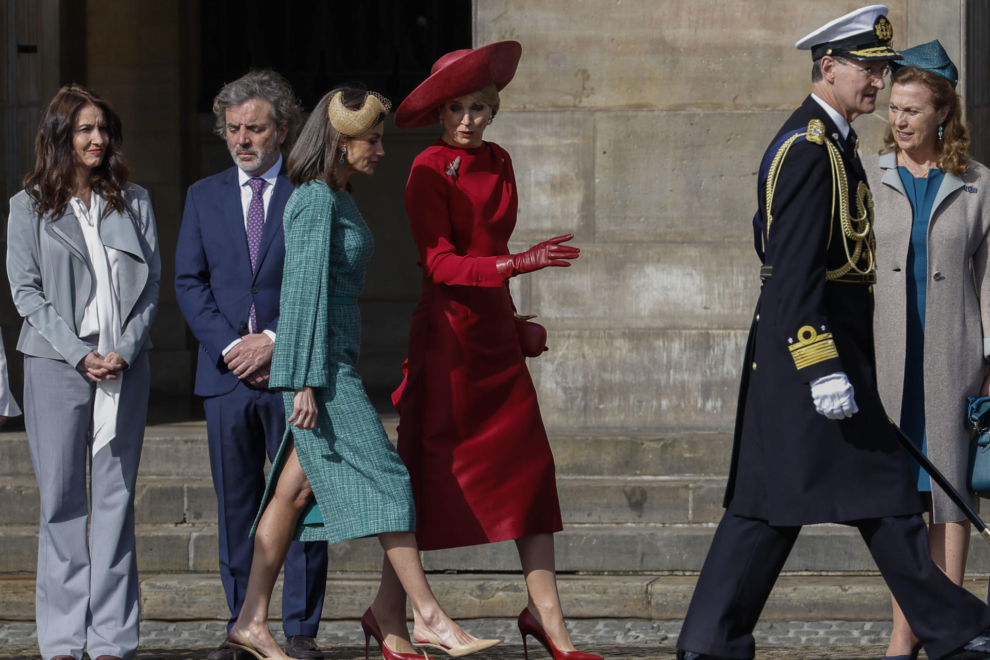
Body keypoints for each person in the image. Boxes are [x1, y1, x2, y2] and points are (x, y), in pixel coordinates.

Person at [673, 7, 990, 660]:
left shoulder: (836, 141)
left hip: (829, 361)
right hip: (808, 367)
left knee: (811, 508)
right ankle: (956, 629)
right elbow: (788, 274)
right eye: (869, 70)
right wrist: (821, 368)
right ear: (829, 68)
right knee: (863, 502)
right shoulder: (807, 147)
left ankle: (709, 642)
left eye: (880, 69)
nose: (878, 83)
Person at [220, 86, 495, 660]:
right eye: (371, 140)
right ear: (341, 143)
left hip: (331, 360)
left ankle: (250, 621)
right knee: (392, 481)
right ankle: (429, 618)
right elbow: (300, 298)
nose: (380, 150)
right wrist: (301, 382)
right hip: (324, 373)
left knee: (291, 496)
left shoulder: (339, 199)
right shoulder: (315, 201)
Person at [376, 42, 596, 660]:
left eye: (478, 107)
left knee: (531, 473)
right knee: (426, 477)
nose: (468, 120)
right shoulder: (426, 169)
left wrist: (513, 317)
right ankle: (391, 611)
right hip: (446, 340)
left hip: (494, 337)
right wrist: (517, 264)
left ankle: (547, 617)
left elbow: (486, 245)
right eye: (456, 109)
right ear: (440, 115)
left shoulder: (499, 160)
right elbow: (441, 262)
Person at [175, 70, 329, 660]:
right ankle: (243, 625)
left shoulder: (309, 191)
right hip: (225, 377)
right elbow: (190, 283)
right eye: (234, 129)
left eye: (256, 128)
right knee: (237, 503)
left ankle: (300, 629)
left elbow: (320, 283)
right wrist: (230, 348)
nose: (243, 140)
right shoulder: (202, 195)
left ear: (283, 130)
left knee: (300, 504)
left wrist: (273, 339)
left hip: (292, 376)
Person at [7, 84, 160, 660]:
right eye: (84, 129)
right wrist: (79, 352)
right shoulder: (30, 206)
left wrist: (125, 346)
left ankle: (113, 640)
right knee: (63, 502)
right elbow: (25, 292)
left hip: (125, 365)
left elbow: (151, 287)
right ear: (59, 137)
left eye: (102, 129)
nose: (97, 140)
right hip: (56, 365)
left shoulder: (134, 200)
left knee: (117, 503)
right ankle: (65, 641)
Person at [867, 40, 990, 660]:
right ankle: (903, 631)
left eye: (913, 109)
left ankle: (949, 628)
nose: (900, 120)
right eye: (895, 109)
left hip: (951, 363)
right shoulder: (869, 176)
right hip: (886, 364)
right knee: (898, 506)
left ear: (943, 112)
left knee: (950, 497)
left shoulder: (977, 184)